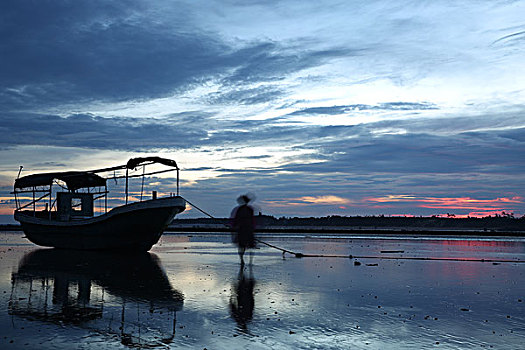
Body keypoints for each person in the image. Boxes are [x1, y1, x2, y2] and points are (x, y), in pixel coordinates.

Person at [231, 194, 256, 266]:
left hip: (246, 229)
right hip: (244, 229)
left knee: (245, 246)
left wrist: (234, 226)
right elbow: (236, 219)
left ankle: (246, 260)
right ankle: (243, 260)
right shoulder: (243, 209)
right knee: (243, 246)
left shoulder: (248, 209)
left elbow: (252, 220)